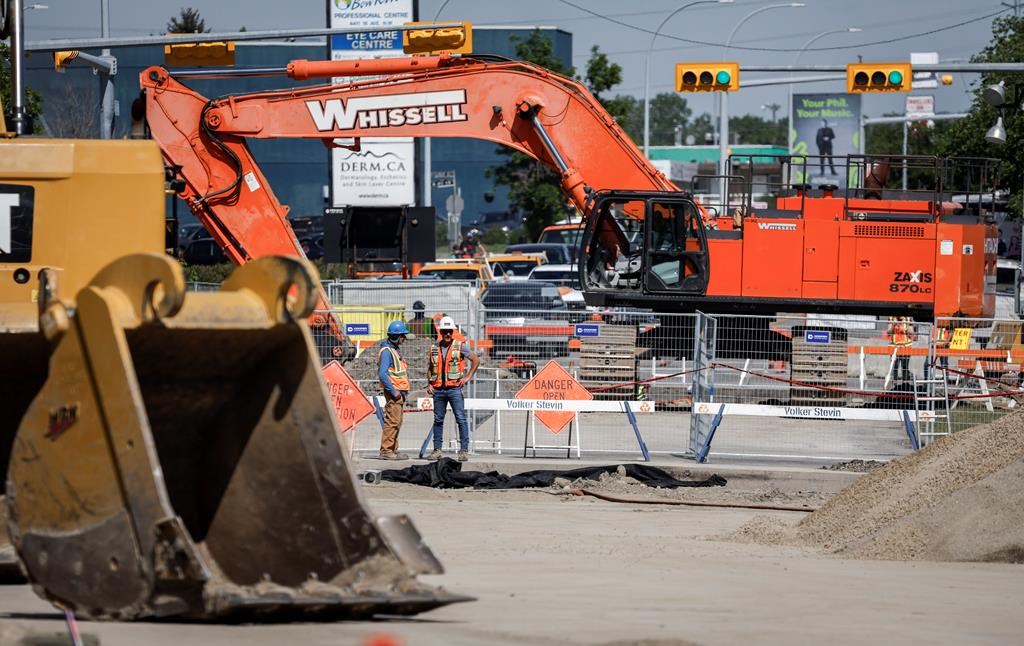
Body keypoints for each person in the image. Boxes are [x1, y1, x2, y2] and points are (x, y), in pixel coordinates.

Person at [426, 316, 480, 462]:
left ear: (453, 331)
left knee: (461, 419)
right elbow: (431, 368)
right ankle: (437, 450)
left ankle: (463, 450)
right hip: (438, 390)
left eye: (449, 331)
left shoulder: (460, 346)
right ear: (441, 332)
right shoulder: (434, 348)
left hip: (454, 389)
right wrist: (430, 383)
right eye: (445, 331)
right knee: (438, 420)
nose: (447, 334)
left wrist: (467, 377)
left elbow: (476, 360)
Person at [377, 320, 412, 460]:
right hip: (394, 393)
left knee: (397, 421)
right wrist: (394, 391)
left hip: (399, 392)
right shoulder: (387, 352)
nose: (404, 339)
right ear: (396, 336)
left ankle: (393, 449)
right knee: (392, 421)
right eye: (402, 336)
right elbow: (382, 374)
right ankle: (386, 450)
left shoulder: (393, 350)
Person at [886, 316, 916, 384]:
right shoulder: (891, 318)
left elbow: (911, 333)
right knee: (895, 367)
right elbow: (888, 332)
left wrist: (905, 329)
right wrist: (893, 325)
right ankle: (894, 384)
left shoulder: (908, 318)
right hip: (894, 347)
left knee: (905, 367)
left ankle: (905, 385)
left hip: (906, 347)